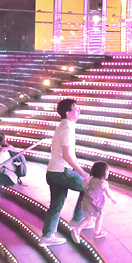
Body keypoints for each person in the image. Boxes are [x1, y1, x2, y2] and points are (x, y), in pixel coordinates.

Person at [41, 98, 88, 246]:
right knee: (89, 187)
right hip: (62, 172)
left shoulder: (63, 125)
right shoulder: (68, 128)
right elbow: (67, 155)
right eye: (76, 108)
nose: (79, 110)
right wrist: (82, 172)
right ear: (68, 113)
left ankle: (47, 236)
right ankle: (77, 220)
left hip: (53, 172)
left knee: (56, 205)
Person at [66, 161, 112, 242]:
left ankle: (77, 229)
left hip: (87, 202)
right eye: (107, 171)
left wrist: (87, 182)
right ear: (103, 172)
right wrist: (113, 199)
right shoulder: (104, 183)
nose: (108, 172)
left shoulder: (91, 179)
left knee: (88, 218)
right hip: (96, 203)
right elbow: (108, 194)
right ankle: (97, 232)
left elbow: (84, 186)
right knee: (100, 215)